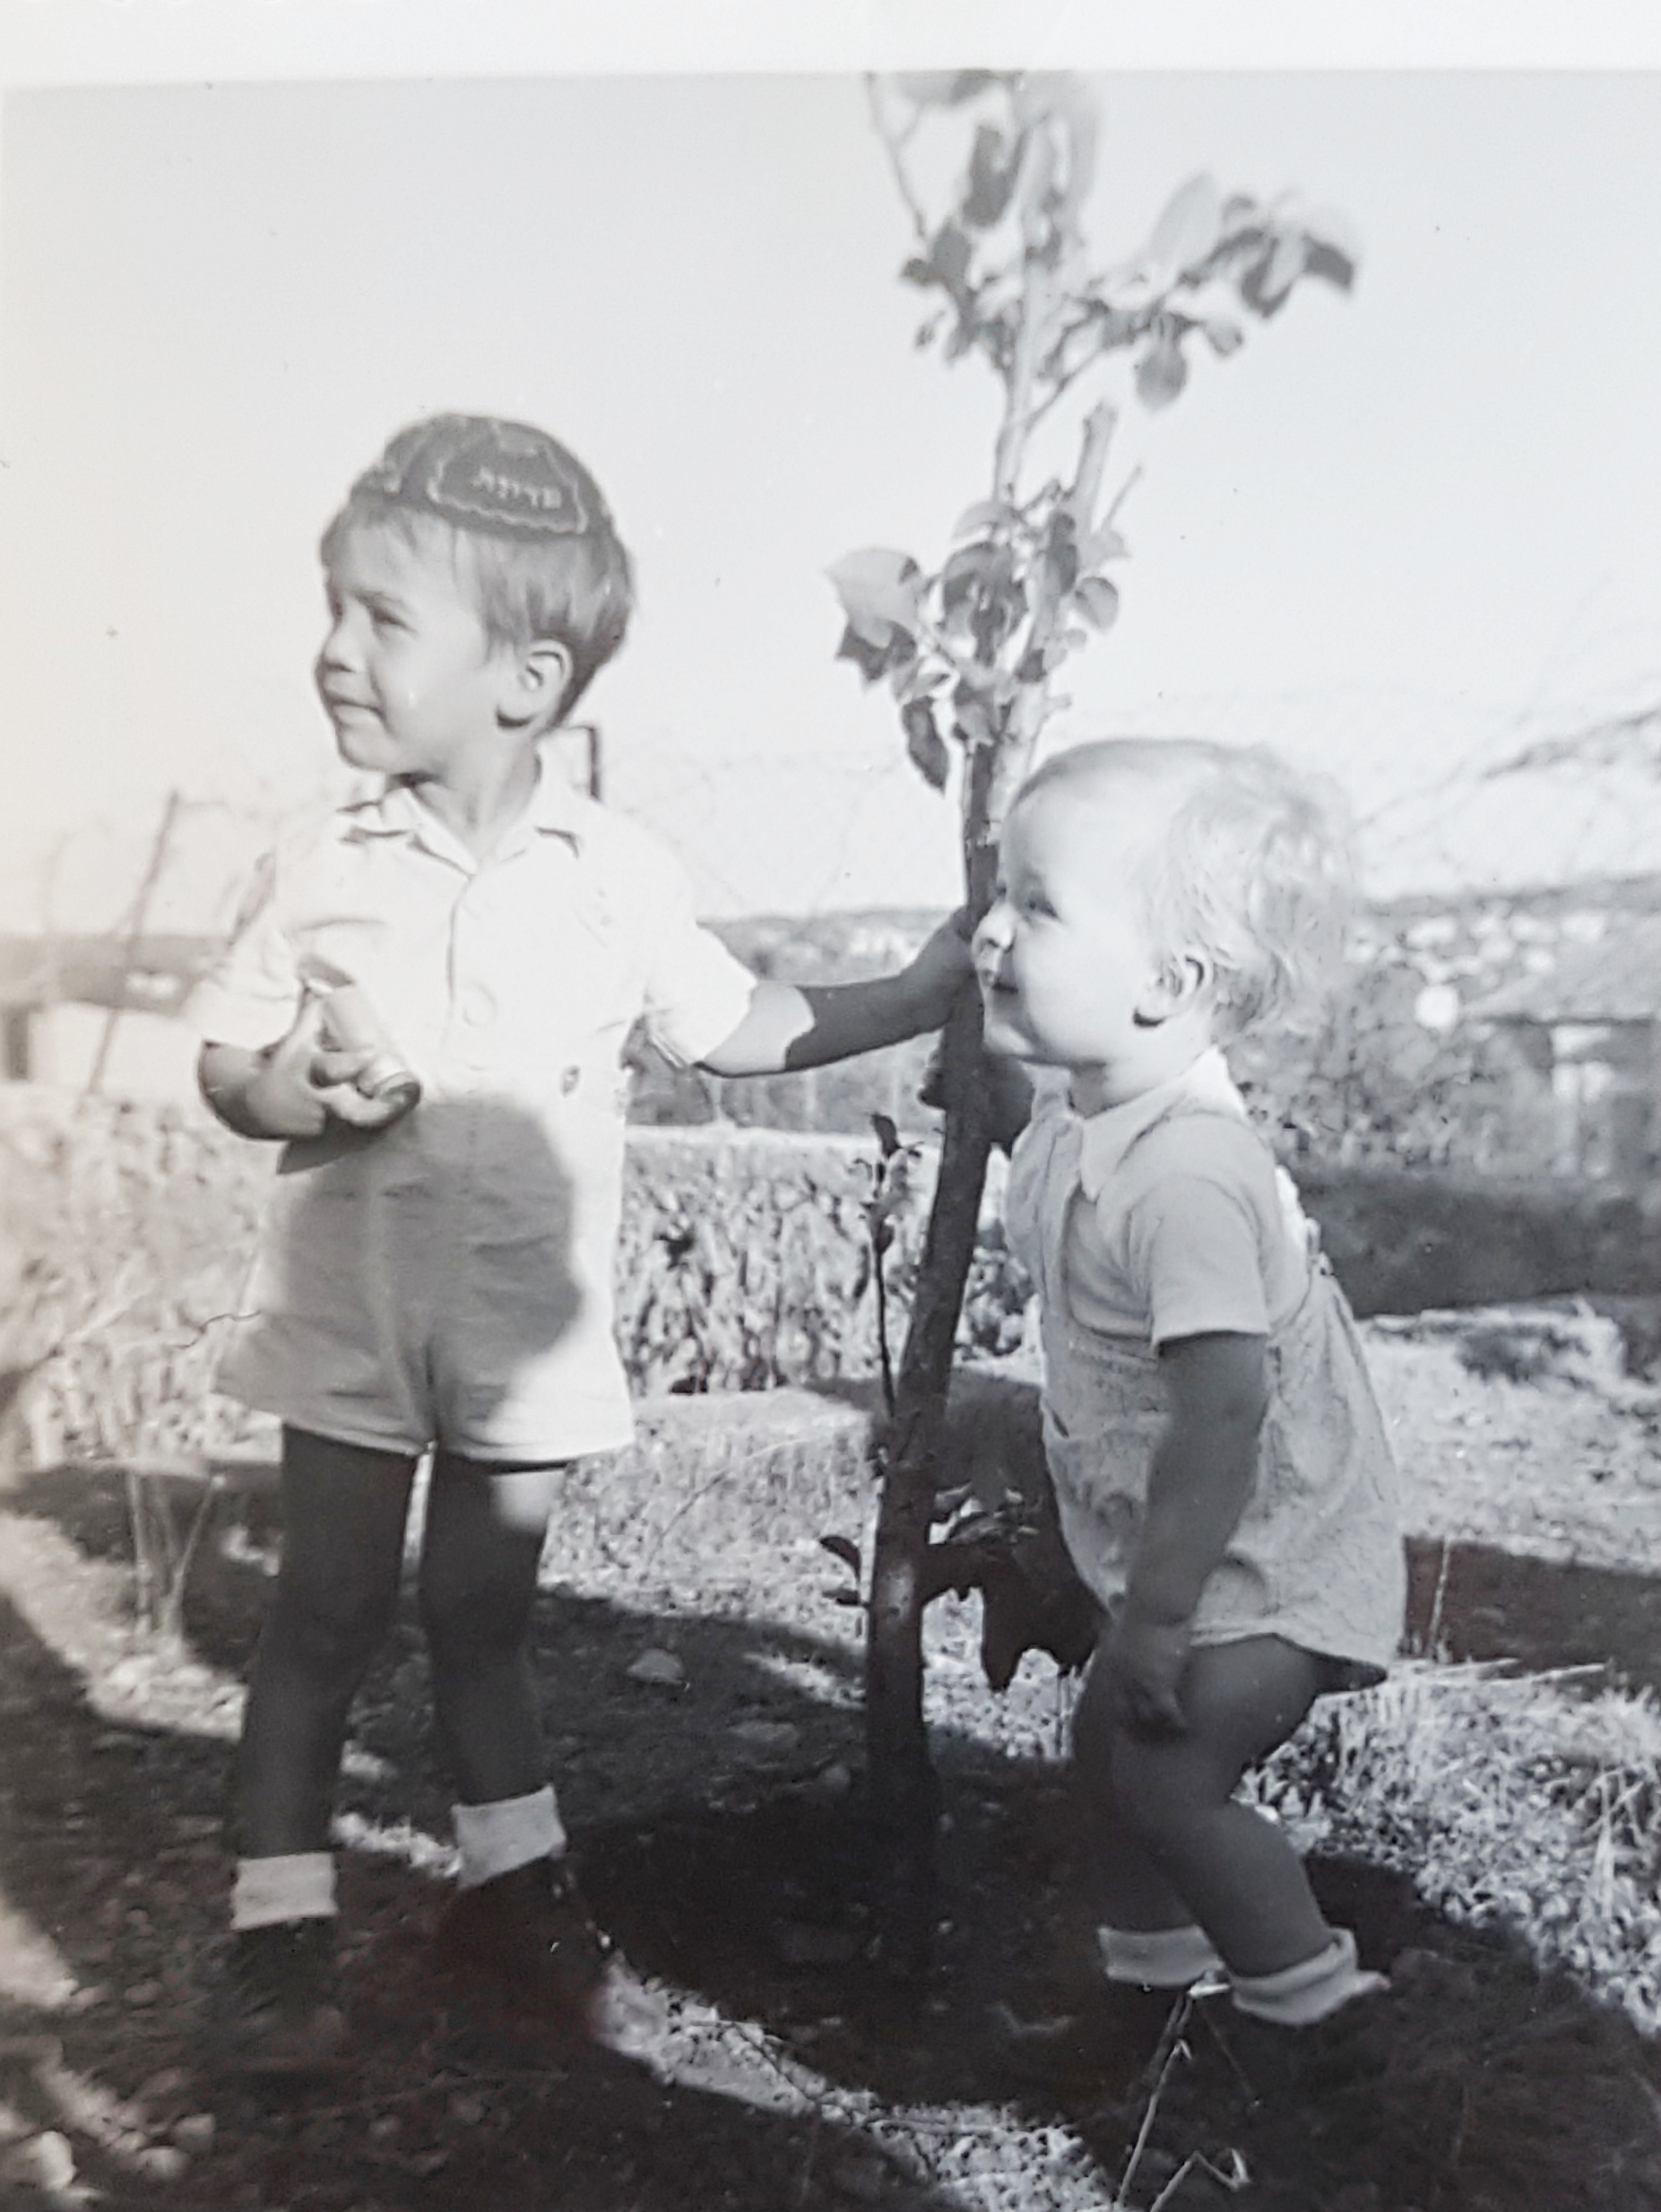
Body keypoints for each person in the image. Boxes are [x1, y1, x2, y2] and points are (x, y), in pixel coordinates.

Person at [187, 412, 970, 2076]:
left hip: (520, 1330)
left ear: (526, 681)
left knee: (483, 1616)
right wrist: (290, 1091)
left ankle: (512, 1890)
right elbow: (231, 1065)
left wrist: (914, 993)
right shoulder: (322, 864)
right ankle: (277, 1932)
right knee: (323, 1612)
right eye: (333, 609)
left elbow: (735, 1027)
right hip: (350, 1311)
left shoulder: (615, 875)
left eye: (382, 619)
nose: (333, 650)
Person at [974, 738, 1405, 2029]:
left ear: (1166, 983)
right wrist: (984, 1076)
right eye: (998, 895)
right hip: (1191, 1553)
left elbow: (1225, 1409)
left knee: (1166, 1781)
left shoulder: (1191, 1179)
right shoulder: (1087, 1118)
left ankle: (1317, 2014)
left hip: (1269, 1559)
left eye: (1035, 907)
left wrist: (1157, 1619)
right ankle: (1152, 1992)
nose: (988, 932)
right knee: (1107, 1760)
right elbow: (1040, 1155)